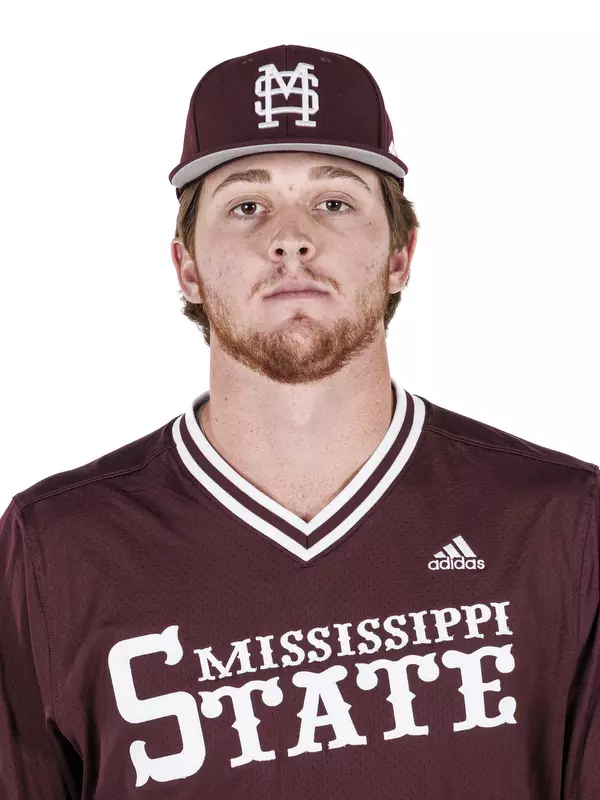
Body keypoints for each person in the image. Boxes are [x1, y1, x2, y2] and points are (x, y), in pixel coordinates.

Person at [0, 43, 598, 800]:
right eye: (246, 205)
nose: (290, 238)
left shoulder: (563, 527)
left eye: (334, 201)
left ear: (400, 256)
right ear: (185, 265)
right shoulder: (56, 548)